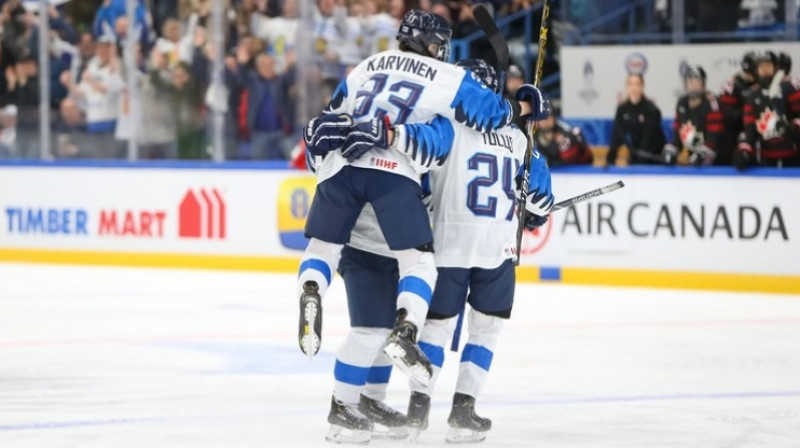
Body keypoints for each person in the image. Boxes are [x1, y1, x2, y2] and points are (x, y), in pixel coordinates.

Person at [297, 8, 547, 440]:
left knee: (368, 318)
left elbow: (325, 127)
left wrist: (314, 150)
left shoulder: (368, 67)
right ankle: (442, 385)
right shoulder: (458, 97)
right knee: (436, 305)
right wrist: (524, 108)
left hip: (359, 202)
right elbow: (533, 192)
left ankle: (393, 402)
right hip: (451, 234)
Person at [736, 51, 800, 170]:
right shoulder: (752, 97)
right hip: (766, 163)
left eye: (768, 65)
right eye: (761, 66)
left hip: (793, 160)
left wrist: (795, 126)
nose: (765, 69)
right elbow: (749, 130)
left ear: (775, 68)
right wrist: (744, 151)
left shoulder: (789, 88)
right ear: (757, 70)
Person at [663, 65, 725, 166]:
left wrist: (693, 158)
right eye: (691, 82)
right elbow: (677, 133)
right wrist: (672, 150)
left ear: (703, 84)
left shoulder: (712, 103)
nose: (694, 86)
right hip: (688, 153)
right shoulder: (682, 103)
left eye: (698, 82)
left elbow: (714, 139)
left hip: (712, 157)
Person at [606, 73, 666, 165]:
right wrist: (610, 161)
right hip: (635, 157)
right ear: (626, 87)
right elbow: (616, 136)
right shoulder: (622, 109)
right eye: (631, 84)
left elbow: (648, 140)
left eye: (637, 84)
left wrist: (637, 162)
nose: (634, 88)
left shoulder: (651, 110)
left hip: (654, 159)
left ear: (642, 87)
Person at [719, 51, 758, 166]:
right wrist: (749, 113)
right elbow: (727, 115)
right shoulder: (732, 86)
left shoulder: (761, 84)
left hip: (755, 128)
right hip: (735, 130)